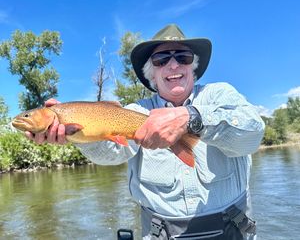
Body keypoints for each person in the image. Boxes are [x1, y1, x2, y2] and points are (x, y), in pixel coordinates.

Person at [26, 24, 265, 239]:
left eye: (183, 57)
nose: (173, 64)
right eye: (162, 59)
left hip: (233, 230)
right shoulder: (136, 112)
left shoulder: (220, 95)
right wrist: (77, 136)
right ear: (152, 73)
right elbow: (111, 154)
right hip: (162, 233)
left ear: (193, 68)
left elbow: (253, 134)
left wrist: (192, 118)